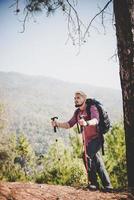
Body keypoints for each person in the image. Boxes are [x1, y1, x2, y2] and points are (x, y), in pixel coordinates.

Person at [51, 91, 113, 191]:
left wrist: (86, 122)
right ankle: (108, 186)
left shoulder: (91, 108)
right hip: (88, 141)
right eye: (75, 98)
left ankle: (93, 184)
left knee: (86, 155)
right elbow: (69, 124)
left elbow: (96, 120)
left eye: (78, 98)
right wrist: (57, 124)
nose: (76, 100)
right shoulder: (78, 112)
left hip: (97, 138)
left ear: (84, 98)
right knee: (97, 162)